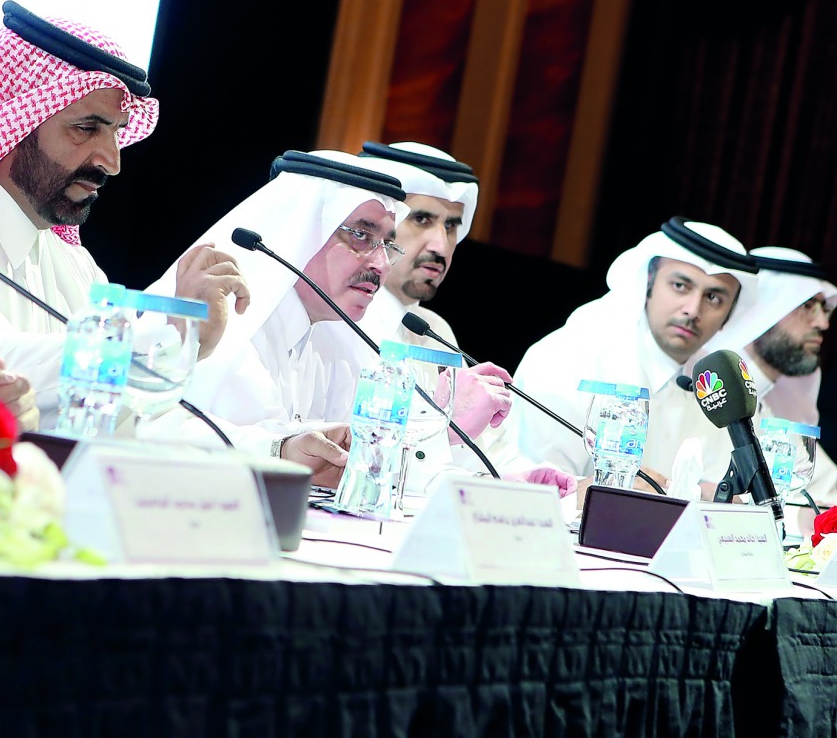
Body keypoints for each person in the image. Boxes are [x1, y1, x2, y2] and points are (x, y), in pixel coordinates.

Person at [153, 149, 573, 494]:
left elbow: (359, 468)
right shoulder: (230, 317)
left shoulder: (338, 343)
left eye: (387, 243)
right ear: (304, 230)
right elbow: (158, 436)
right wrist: (281, 451)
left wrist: (495, 484)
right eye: (360, 236)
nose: (379, 263)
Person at [0, 1, 250, 430]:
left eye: (117, 133)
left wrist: (277, 450)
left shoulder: (73, 262)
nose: (112, 161)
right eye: (87, 129)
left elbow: (131, 418)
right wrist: (167, 336)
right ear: (9, 122)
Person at [355, 140, 570, 489]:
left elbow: (479, 449)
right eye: (421, 219)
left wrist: (521, 480)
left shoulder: (434, 329)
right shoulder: (341, 318)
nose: (440, 246)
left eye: (451, 227)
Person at [510, 217, 759, 492]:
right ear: (649, 282)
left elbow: (729, 494)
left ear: (729, 315)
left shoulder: (719, 385)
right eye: (680, 286)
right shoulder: (572, 355)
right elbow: (539, 487)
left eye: (713, 298)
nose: (692, 310)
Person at [706, 246, 837, 504]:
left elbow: (826, 487)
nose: (823, 324)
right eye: (807, 306)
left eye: (823, 308)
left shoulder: (778, 405)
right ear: (764, 310)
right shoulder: (711, 394)